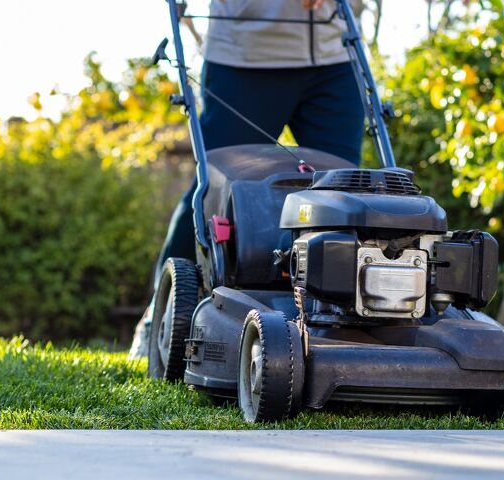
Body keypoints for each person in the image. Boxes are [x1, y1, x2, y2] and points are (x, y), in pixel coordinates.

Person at [129, 0, 365, 357]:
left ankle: (343, 324)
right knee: (210, 188)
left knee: (345, 194)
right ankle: (160, 314)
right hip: (247, 54)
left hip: (337, 53)